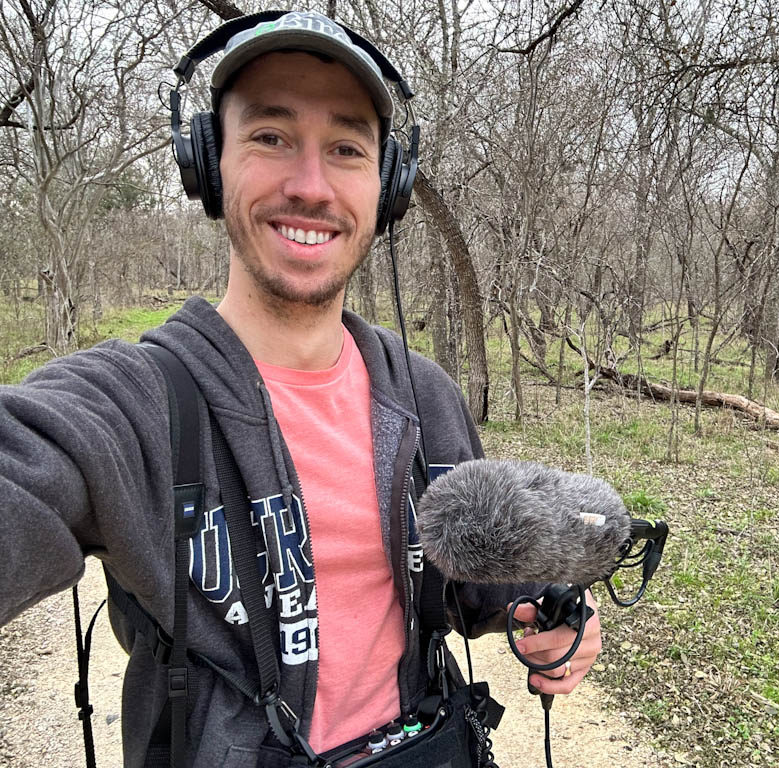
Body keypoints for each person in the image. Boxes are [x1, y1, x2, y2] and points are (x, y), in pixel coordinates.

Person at [0, 10, 601, 768]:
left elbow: (481, 580)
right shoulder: (129, 404)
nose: (310, 186)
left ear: (388, 186)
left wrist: (547, 611)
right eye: (271, 137)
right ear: (209, 163)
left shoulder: (424, 394)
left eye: (346, 148)